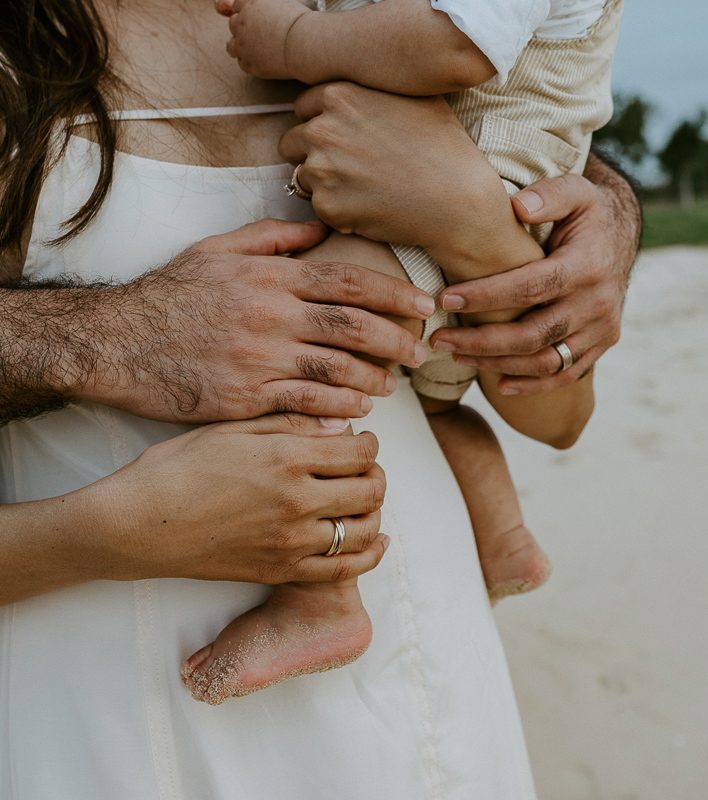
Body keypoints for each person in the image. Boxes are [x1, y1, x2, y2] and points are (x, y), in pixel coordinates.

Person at [0, 2, 640, 797]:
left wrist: (495, 219)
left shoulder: (362, 15)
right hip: (99, 700)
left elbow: (559, 414)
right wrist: (118, 337)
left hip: (420, 676)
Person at [180, 0, 619, 696]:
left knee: (312, 346)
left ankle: (322, 597)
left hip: (467, 190)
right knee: (433, 408)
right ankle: (504, 536)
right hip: (472, 195)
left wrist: (296, 37)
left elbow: (454, 47)